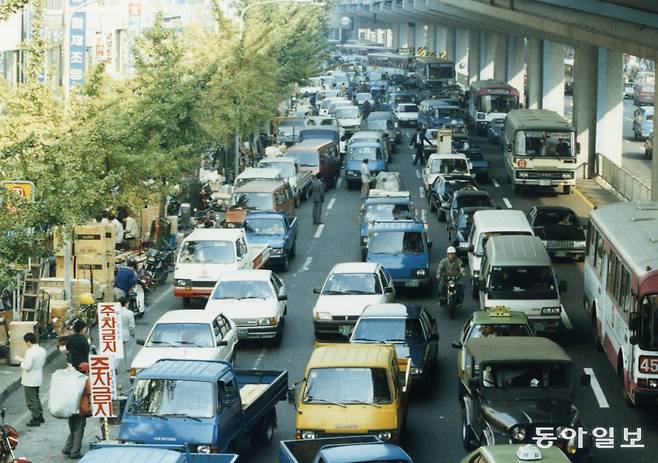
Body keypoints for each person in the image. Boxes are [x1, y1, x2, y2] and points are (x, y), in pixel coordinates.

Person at [15, 333, 46, 427]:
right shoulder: (42, 350)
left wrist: (21, 362)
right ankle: (40, 415)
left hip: (30, 379)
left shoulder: (31, 351)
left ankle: (36, 418)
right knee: (36, 398)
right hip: (38, 376)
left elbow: (27, 366)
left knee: (31, 400)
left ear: (28, 341)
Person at [62, 362, 91, 459]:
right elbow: (89, 391)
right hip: (81, 409)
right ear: (86, 371)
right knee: (79, 431)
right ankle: (75, 452)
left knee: (72, 429)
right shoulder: (84, 380)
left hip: (70, 408)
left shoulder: (71, 378)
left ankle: (67, 448)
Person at [118, 297, 136, 371]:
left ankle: (115, 367)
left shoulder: (115, 312)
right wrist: (132, 333)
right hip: (126, 333)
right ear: (126, 303)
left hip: (117, 333)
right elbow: (131, 326)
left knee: (117, 351)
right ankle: (128, 367)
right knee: (128, 351)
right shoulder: (129, 313)